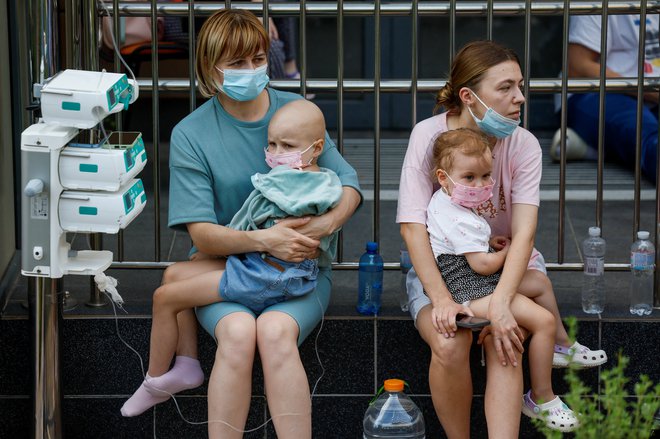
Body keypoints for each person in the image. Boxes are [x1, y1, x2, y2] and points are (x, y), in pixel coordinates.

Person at [126, 10, 361, 438]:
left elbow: (349, 186)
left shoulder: (296, 111)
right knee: (235, 332)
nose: (251, 71)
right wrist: (268, 240)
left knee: (274, 333)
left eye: (257, 58)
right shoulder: (191, 133)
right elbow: (200, 233)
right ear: (208, 67)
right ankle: (185, 371)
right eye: (236, 63)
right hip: (228, 263)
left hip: (303, 270)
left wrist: (316, 232)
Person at [397, 40, 606, 438]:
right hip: (446, 270)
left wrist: (504, 305)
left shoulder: (523, 143)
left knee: (503, 338)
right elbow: (412, 226)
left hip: (510, 265)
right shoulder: (427, 136)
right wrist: (441, 298)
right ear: (469, 96)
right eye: (506, 87)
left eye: (521, 85)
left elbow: (525, 232)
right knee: (449, 344)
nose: (520, 98)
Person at [120, 99, 343, 417]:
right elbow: (337, 207)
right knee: (175, 273)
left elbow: (243, 223)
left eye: (287, 146)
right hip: (287, 272)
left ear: (317, 147)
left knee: (165, 297)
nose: (276, 154)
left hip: (263, 275)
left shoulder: (277, 184)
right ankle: (186, 364)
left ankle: (154, 380)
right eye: (272, 145)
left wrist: (212, 249)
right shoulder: (328, 184)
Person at [427, 128, 578, 432]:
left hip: (477, 280)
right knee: (543, 321)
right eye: (469, 177)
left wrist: (491, 242)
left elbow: (470, 243)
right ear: (443, 178)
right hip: (471, 288)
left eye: (486, 176)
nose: (480, 184)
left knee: (538, 282)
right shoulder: (454, 213)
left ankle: (562, 345)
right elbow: (482, 265)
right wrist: (507, 252)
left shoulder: (452, 204)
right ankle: (541, 397)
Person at [556, 13, 659, 181]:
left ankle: (596, 148)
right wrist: (652, 91)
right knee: (648, 137)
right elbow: (578, 67)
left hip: (649, 95)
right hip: (598, 92)